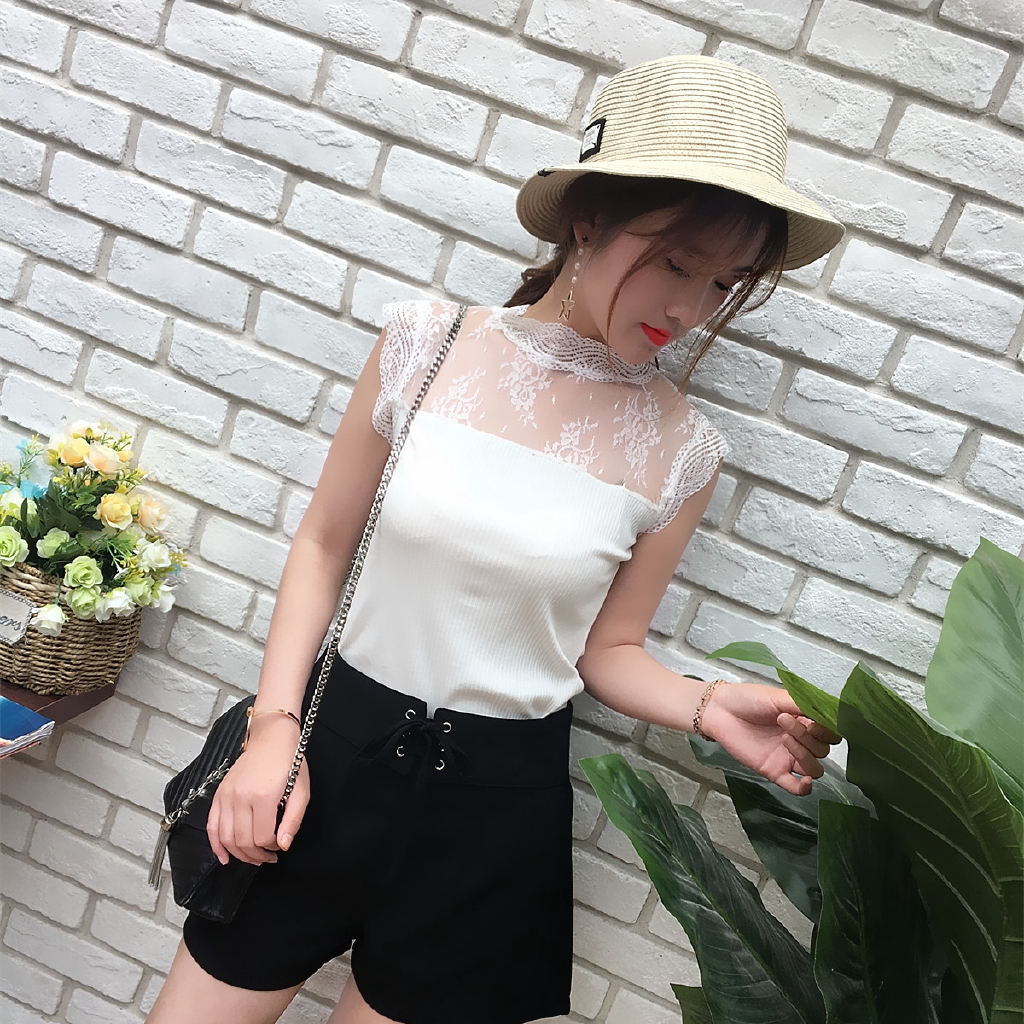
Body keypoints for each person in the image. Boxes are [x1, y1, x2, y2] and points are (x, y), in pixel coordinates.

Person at [148, 55, 844, 1024]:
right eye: (677, 262)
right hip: (324, 761)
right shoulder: (425, 345)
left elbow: (607, 650)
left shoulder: (683, 449)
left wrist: (708, 704)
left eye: (723, 282)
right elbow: (322, 544)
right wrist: (273, 733)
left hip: (492, 815)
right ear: (587, 219)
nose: (689, 310)